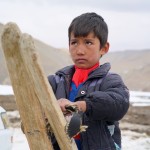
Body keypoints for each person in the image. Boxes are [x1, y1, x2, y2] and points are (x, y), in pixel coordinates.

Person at [48, 12, 129, 150]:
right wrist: (52, 107)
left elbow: (119, 104)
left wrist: (80, 105)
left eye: (88, 42)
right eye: (74, 42)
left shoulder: (110, 81)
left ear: (104, 48)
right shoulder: (55, 81)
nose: (80, 51)